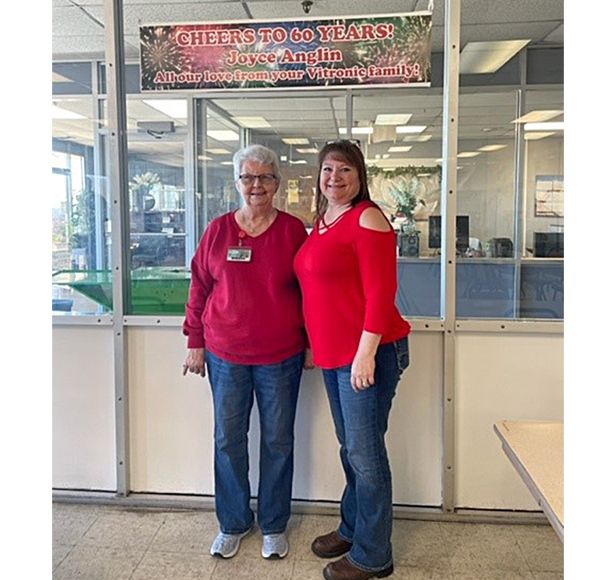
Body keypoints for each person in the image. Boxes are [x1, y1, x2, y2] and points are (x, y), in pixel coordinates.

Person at [182, 144, 311, 560]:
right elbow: (199, 286)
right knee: (228, 440)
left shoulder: (293, 231)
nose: (256, 185)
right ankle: (234, 521)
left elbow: (311, 292)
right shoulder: (218, 230)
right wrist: (194, 341)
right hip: (225, 354)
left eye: (265, 177)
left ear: (277, 183)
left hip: (281, 355)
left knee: (278, 441)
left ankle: (274, 523)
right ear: (237, 182)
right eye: (248, 177)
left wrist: (310, 343)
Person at [294, 140, 411, 580]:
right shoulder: (323, 221)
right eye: (327, 169)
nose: (334, 178)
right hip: (333, 354)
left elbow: (381, 293)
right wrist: (312, 344)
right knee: (353, 450)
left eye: (344, 170)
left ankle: (373, 554)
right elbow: (320, 294)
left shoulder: (367, 218)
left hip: (369, 353)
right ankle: (353, 527)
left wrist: (366, 355)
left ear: (359, 176)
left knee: (366, 454)